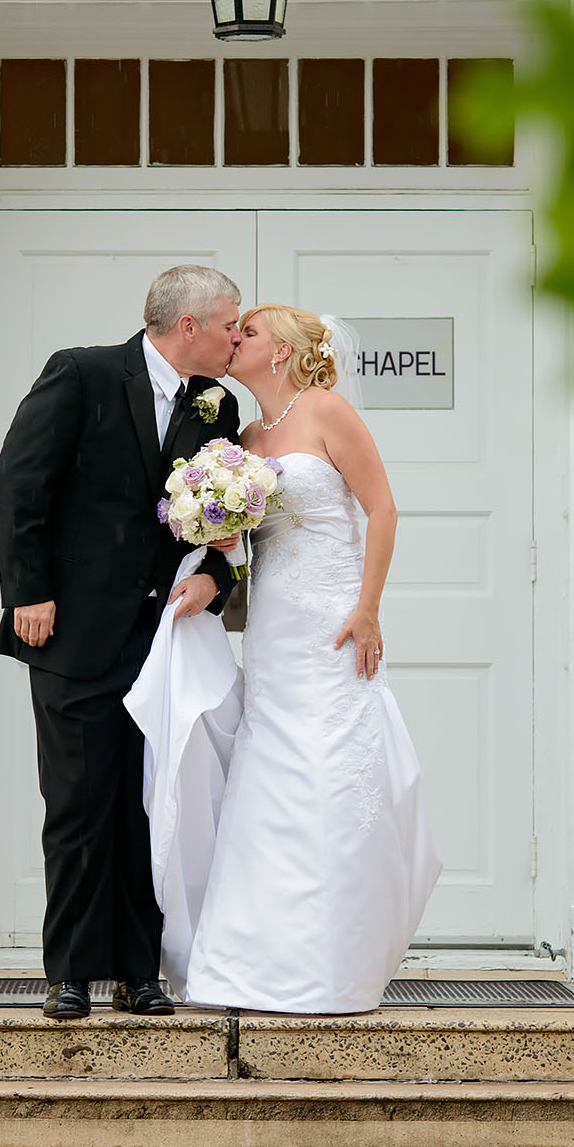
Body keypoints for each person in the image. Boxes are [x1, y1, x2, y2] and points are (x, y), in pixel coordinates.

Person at [0, 264, 244, 1021]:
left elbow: (228, 529)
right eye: (231, 323)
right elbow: (19, 480)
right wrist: (27, 590)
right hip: (70, 631)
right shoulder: (82, 373)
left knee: (147, 804)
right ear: (189, 326)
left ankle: (141, 971)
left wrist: (219, 586)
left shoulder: (218, 406)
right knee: (76, 803)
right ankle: (70, 970)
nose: (238, 335)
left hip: (163, 638)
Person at [176, 305, 441, 1013]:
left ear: (285, 350)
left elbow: (382, 509)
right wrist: (221, 536)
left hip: (332, 621)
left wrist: (368, 606)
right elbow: (245, 542)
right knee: (267, 776)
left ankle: (334, 959)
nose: (237, 340)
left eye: (250, 332)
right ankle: (249, 960)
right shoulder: (244, 435)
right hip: (271, 626)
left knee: (327, 769)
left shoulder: (327, 410)